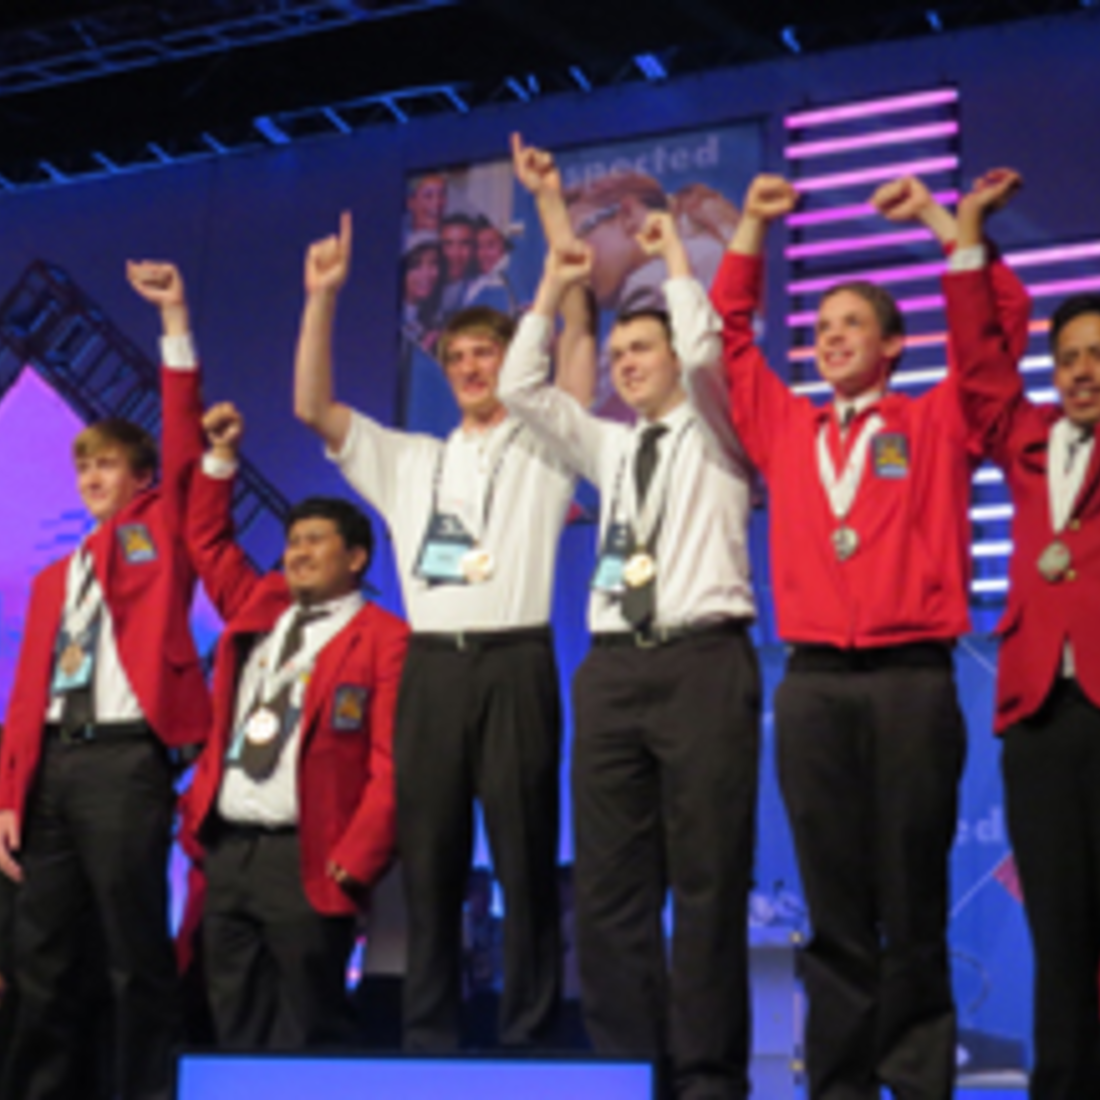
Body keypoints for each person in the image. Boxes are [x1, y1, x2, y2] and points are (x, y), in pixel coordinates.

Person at [708, 173, 1030, 1100]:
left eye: (855, 323)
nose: (834, 336)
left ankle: (920, 1081)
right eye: (825, 325)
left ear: (895, 345)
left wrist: (947, 225)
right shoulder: (786, 426)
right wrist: (754, 228)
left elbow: (997, 327)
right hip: (811, 685)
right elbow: (732, 339)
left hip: (911, 682)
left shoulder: (936, 419)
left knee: (913, 902)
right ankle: (840, 1085)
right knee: (833, 905)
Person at [294, 210, 588, 1052]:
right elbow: (311, 405)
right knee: (430, 865)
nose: (468, 368)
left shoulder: (543, 449)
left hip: (515, 661)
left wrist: (558, 262)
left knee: (527, 862)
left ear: (509, 363)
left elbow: (569, 373)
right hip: (431, 672)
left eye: (483, 355)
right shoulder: (410, 459)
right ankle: (429, 1042)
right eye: (456, 358)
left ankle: (529, 1041)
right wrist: (322, 298)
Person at [499, 213, 760, 1100]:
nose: (627, 363)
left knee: (707, 880)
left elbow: (712, 350)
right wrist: (549, 290)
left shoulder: (724, 429)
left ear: (677, 356)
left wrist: (675, 260)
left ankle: (709, 1078)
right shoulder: (608, 445)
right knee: (609, 890)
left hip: (701, 662)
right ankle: (625, 1073)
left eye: (643, 349)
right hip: (612, 671)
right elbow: (522, 389)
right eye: (618, 354)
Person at [0, 261, 211, 1100]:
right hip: (52, 768)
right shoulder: (57, 575)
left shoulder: (160, 533)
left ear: (142, 478)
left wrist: (174, 317)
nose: (93, 478)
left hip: (126, 763)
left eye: (111, 465)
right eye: (86, 467)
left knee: (133, 958)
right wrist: (10, 791)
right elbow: (24, 694)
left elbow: (185, 435)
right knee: (40, 961)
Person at [179, 400, 408, 1051]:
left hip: (309, 855)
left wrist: (355, 862)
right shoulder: (260, 608)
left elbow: (394, 765)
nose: (298, 554)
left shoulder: (385, 640)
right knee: (232, 1021)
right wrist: (220, 459)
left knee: (309, 1024)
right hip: (232, 851)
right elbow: (208, 543)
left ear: (357, 558)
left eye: (316, 542)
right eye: (292, 542)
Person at [943, 168, 1100, 1100]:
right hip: (1040, 708)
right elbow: (979, 362)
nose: (1084, 369)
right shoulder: (1031, 438)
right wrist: (967, 236)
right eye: (1070, 356)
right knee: (1058, 926)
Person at [439, 212, 478, 315]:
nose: (456, 253)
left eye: (464, 244)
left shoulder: (479, 291)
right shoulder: (425, 289)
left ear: (474, 248)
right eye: (448, 244)